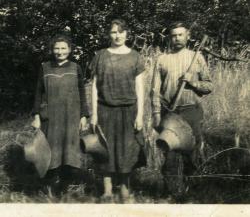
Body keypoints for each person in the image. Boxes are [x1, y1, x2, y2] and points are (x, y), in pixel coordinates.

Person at [151, 21, 213, 198]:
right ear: (169, 38)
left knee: (192, 154)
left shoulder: (197, 57)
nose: (177, 38)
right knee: (169, 155)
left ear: (188, 36)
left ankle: (190, 193)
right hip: (170, 113)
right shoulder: (162, 59)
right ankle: (170, 194)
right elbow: (154, 90)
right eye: (173, 35)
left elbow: (209, 86)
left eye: (180, 34)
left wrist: (193, 82)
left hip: (191, 111)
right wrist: (156, 114)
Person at [90, 19, 145, 201]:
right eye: (114, 32)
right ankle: (106, 190)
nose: (117, 35)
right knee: (105, 150)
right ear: (109, 34)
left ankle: (124, 187)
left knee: (126, 151)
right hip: (105, 109)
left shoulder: (135, 56)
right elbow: (95, 86)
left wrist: (140, 115)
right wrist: (95, 113)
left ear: (127, 34)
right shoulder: (100, 55)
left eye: (121, 32)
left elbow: (140, 88)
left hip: (128, 110)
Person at [31, 34, 89, 195]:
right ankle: (48, 187)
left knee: (69, 152)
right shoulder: (45, 67)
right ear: (52, 50)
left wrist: (84, 115)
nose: (60, 51)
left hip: (71, 117)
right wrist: (36, 115)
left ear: (69, 50)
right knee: (50, 151)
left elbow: (82, 93)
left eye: (63, 48)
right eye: (56, 48)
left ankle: (64, 187)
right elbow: (38, 93)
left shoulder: (75, 67)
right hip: (51, 117)